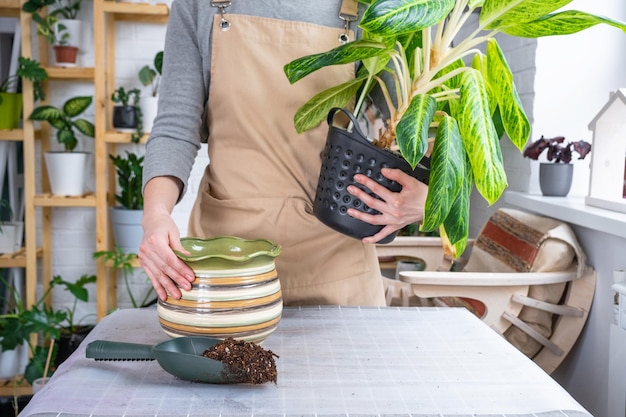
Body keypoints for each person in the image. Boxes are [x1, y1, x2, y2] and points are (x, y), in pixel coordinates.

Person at [139, 0, 429, 307]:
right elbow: (175, 127)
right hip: (228, 270)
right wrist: (155, 215)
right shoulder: (198, 5)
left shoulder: (368, 6)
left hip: (338, 269)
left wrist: (422, 200)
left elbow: (409, 124)